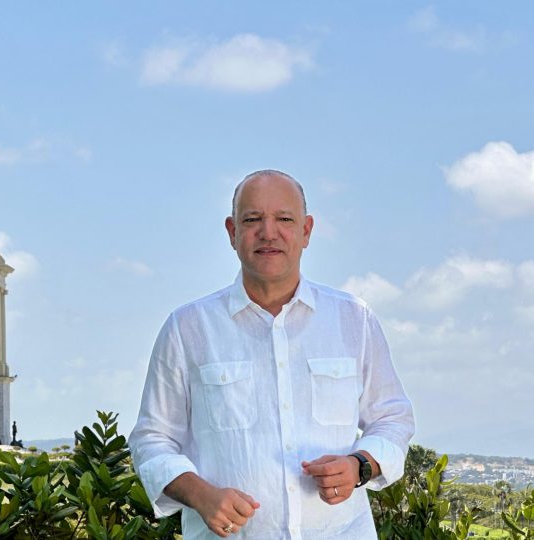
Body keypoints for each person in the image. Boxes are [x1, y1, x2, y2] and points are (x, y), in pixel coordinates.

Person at [129, 170, 414, 539]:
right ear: (232, 232)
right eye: (252, 220)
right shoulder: (187, 328)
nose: (268, 232)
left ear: (306, 231)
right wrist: (200, 495)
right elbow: (151, 439)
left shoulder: (354, 319)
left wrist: (360, 465)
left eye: (284, 219)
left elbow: (393, 418)